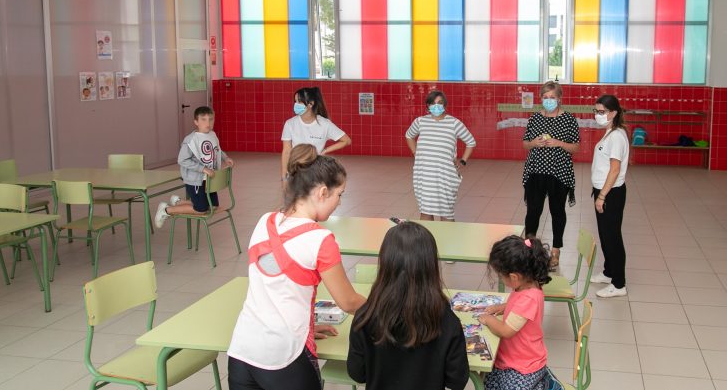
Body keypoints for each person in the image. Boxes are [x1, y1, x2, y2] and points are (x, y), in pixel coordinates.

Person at [228, 144, 367, 390]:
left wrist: (308, 324)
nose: (339, 202)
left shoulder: (265, 221)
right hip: (284, 357)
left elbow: (279, 286)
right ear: (323, 192)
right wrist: (393, 306)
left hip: (242, 353)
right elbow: (349, 302)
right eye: (340, 194)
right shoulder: (320, 240)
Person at [347, 221, 469, 390]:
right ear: (431, 266)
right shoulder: (448, 322)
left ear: (384, 262)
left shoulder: (364, 317)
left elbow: (357, 373)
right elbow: (457, 381)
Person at [478, 235, 555, 390]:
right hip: (513, 356)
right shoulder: (527, 284)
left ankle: (541, 384)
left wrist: (488, 319)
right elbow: (519, 305)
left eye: (500, 275)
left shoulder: (529, 298)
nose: (500, 278)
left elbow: (506, 331)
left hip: (523, 364)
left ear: (514, 277)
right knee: (488, 382)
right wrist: (503, 307)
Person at [521, 81, 580, 270]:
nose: (548, 101)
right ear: (540, 99)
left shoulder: (569, 119)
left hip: (559, 173)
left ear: (559, 99)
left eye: (552, 97)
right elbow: (525, 143)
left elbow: (576, 147)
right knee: (533, 212)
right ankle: (529, 249)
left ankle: (556, 250)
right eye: (545, 97)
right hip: (535, 171)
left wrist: (558, 143)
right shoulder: (535, 119)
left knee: (557, 212)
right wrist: (533, 143)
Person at [154, 106, 233, 228]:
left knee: (213, 207)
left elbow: (217, 150)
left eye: (211, 119)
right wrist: (203, 169)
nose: (208, 123)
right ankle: (166, 210)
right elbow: (182, 160)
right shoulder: (190, 140)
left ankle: (179, 202)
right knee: (201, 209)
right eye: (203, 119)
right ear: (196, 122)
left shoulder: (212, 135)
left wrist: (225, 158)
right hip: (195, 180)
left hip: (209, 180)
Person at [405, 91, 476, 221]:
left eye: (440, 103)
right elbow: (409, 135)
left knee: (446, 213)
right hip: (424, 174)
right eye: (433, 103)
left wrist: (463, 161)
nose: (436, 106)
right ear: (427, 106)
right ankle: (427, 241)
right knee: (426, 212)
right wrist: (416, 153)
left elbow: (471, 142)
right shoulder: (420, 122)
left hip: (445, 175)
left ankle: (448, 240)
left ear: (445, 105)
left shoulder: (454, 123)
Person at [589, 94, 630, 298]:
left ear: (613, 113)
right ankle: (608, 272)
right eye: (596, 111)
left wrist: (602, 196)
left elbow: (614, 170)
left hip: (611, 193)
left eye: (602, 112)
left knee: (612, 236)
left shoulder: (617, 136)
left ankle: (619, 283)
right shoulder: (609, 133)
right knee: (605, 234)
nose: (598, 115)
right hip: (603, 190)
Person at [281, 87, 351, 183]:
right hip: (295, 171)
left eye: (299, 102)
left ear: (310, 104)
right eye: (295, 101)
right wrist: (284, 174)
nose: (295, 105)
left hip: (316, 172)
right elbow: (286, 151)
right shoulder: (290, 124)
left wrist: (325, 150)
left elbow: (346, 140)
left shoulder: (325, 124)